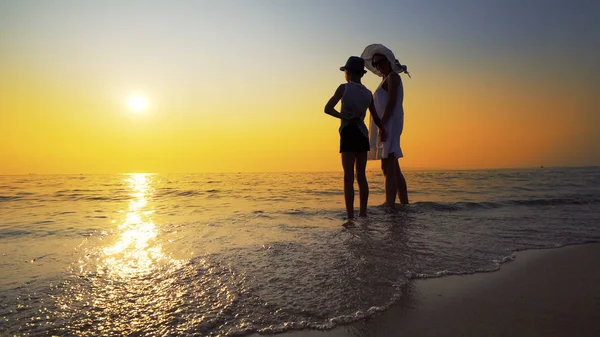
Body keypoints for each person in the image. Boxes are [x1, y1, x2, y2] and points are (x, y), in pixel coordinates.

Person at [324, 56, 385, 221]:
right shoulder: (367, 93)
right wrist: (383, 129)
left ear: (348, 72)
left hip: (348, 132)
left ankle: (350, 217)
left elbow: (327, 108)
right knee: (361, 175)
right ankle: (363, 214)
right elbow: (376, 117)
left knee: (348, 176)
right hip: (362, 134)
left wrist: (342, 115)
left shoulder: (343, 88)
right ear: (362, 74)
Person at [361, 44, 410, 207]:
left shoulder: (393, 77)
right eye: (375, 64)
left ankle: (390, 204)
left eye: (380, 62)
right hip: (385, 122)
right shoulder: (385, 79)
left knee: (389, 164)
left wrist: (383, 125)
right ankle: (404, 203)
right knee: (392, 165)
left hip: (389, 122)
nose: (378, 66)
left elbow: (392, 102)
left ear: (388, 60)